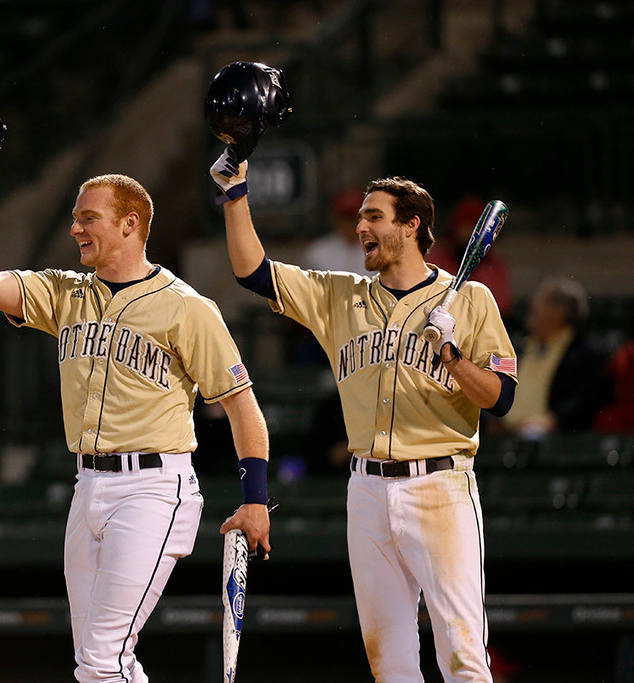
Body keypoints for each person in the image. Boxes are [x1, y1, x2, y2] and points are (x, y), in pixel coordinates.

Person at [0, 172, 272, 683]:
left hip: (154, 489)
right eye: (74, 219)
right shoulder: (67, 293)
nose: (74, 229)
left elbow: (242, 407)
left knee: (101, 658)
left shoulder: (187, 307)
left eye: (87, 218)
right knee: (105, 660)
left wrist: (256, 497)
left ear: (130, 224)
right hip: (87, 484)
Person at [212, 148, 518, 682]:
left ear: (412, 225)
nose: (360, 227)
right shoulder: (340, 296)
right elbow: (252, 272)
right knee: (390, 664)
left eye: (374, 216)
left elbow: (501, 398)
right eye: (359, 218)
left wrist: (451, 355)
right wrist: (235, 193)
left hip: (440, 484)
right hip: (367, 490)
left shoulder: (469, 299)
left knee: (465, 656)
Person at [499, 276, 609, 438]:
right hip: (502, 432)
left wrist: (552, 421)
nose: (532, 306)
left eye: (541, 301)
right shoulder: (519, 346)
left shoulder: (586, 352)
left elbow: (585, 399)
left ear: (559, 312)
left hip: (551, 437)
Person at [428, 196, 514, 319]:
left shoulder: (494, 266)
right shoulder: (438, 259)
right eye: (463, 226)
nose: (466, 232)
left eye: (472, 227)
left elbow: (502, 305)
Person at [303, 186, 374, 276]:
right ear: (336, 219)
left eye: (354, 219)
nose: (350, 225)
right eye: (346, 219)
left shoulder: (380, 251)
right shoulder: (318, 252)